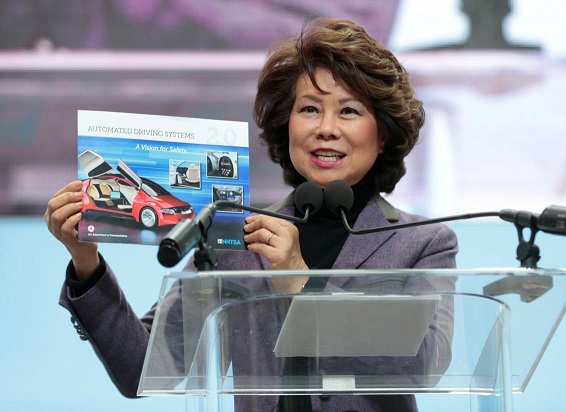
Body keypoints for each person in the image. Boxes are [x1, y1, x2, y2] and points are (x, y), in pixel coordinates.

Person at [44, 18, 458, 412]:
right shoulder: (234, 232)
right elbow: (144, 371)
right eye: (310, 109)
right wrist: (86, 264)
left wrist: (300, 281)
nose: (326, 128)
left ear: (383, 133)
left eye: (349, 111)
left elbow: (424, 365)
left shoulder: (422, 243)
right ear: (287, 124)